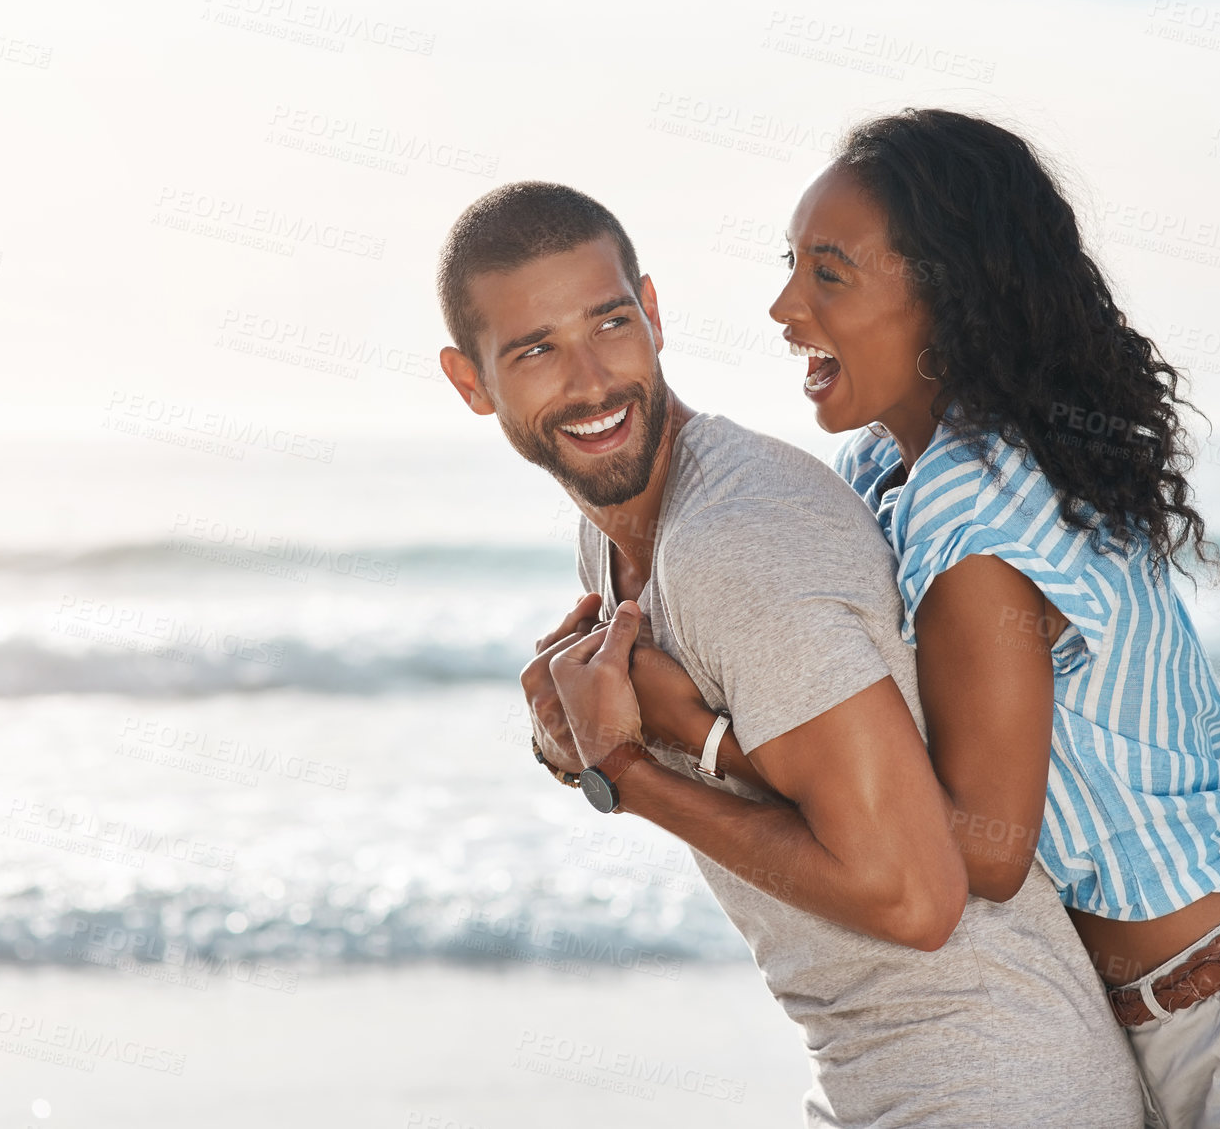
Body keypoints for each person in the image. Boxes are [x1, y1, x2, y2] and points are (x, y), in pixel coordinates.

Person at [630, 109, 1220, 1128]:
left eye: (829, 275)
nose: (784, 306)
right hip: (1200, 1026)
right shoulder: (893, 476)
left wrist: (698, 744)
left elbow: (980, 848)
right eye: (791, 266)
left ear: (943, 296)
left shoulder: (973, 504)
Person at [435, 181, 1142, 1127]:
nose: (592, 379)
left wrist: (625, 772)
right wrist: (578, 742)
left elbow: (913, 897)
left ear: (650, 311)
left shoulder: (737, 541)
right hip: (890, 1078)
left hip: (991, 1083)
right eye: (535, 351)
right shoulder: (617, 531)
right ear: (471, 381)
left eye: (608, 324)